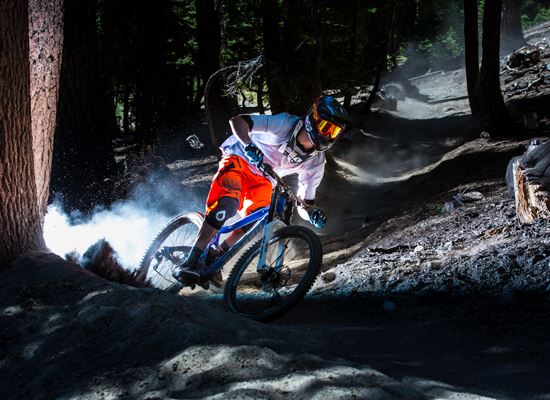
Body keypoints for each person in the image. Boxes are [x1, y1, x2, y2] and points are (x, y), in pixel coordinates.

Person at [173, 95, 351, 285]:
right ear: (313, 118)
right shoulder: (285, 123)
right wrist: (248, 145)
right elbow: (238, 122)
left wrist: (311, 215)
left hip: (264, 179)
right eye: (326, 127)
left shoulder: (316, 162)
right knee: (226, 205)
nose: (327, 135)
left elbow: (304, 204)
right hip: (239, 159)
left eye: (334, 132)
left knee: (257, 219)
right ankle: (190, 261)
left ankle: (216, 255)